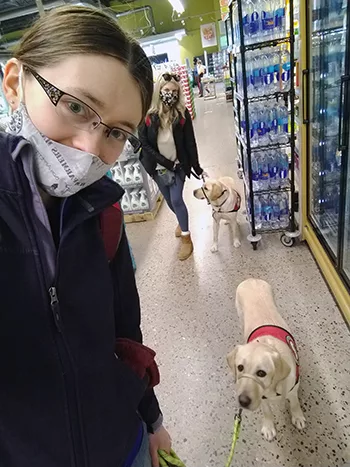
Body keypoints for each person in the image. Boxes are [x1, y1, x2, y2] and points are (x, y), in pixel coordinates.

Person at [0, 6, 171, 467]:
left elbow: (124, 335)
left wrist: (151, 421)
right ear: (14, 82)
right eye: (76, 106)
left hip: (125, 446)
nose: (91, 149)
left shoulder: (104, 212)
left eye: (117, 132)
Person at [139, 73, 205, 261]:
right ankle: (180, 221)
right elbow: (144, 142)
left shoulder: (182, 114)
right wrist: (164, 162)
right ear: (159, 90)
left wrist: (197, 167)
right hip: (157, 167)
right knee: (168, 200)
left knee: (176, 200)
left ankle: (186, 238)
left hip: (178, 165)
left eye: (174, 91)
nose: (170, 94)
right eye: (167, 90)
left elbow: (190, 143)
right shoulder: (148, 115)